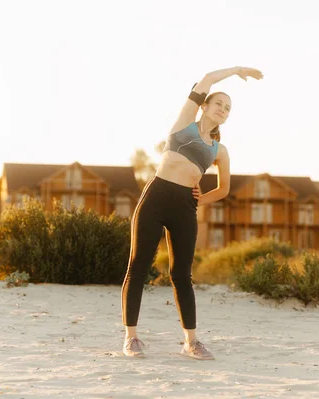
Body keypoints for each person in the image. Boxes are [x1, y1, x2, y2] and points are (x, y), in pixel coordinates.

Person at [120, 66, 264, 360]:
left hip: (185, 207)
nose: (223, 110)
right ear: (204, 106)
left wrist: (200, 199)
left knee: (182, 274)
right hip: (156, 196)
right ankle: (131, 338)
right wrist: (237, 70)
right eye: (219, 104)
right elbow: (208, 79)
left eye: (228, 109)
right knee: (138, 268)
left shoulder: (219, 151)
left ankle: (191, 342)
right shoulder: (183, 124)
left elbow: (224, 189)